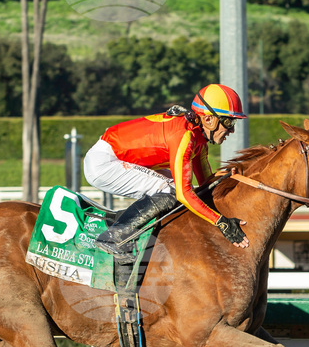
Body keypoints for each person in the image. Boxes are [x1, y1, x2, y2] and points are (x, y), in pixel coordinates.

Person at [85, 83, 250, 260]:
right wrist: (221, 222)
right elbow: (184, 194)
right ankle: (113, 238)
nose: (232, 130)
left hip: (114, 156)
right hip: (104, 162)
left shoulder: (199, 139)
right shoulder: (185, 136)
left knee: (177, 189)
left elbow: (205, 185)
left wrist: (230, 180)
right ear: (209, 119)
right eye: (228, 121)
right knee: (172, 190)